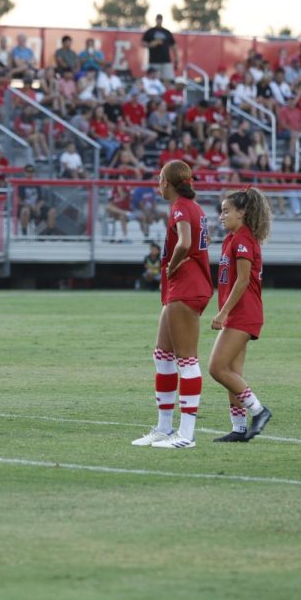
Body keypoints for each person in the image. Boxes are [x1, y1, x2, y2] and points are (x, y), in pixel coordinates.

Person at [131, 160, 213, 450]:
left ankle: (186, 435)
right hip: (187, 287)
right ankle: (164, 428)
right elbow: (205, 238)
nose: (158, 184)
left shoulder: (180, 206)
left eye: (160, 179)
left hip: (186, 288)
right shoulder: (196, 208)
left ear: (166, 182)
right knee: (162, 356)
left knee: (186, 361)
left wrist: (172, 266)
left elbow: (185, 242)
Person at [209, 189, 274, 442]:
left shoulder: (244, 239)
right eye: (221, 211)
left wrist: (223, 312)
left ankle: (259, 411)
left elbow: (244, 279)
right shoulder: (232, 238)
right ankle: (238, 429)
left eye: (226, 211)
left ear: (242, 213)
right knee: (233, 373)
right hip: (241, 313)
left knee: (217, 368)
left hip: (243, 313)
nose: (221, 216)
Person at [141, 15, 177, 80]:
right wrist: (151, 44)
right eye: (158, 19)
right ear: (156, 20)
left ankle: (167, 90)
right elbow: (143, 43)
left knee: (168, 79)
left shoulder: (167, 32)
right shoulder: (150, 32)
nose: (159, 21)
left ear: (162, 20)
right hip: (154, 60)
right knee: (154, 79)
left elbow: (174, 46)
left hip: (166, 60)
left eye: (160, 19)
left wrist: (176, 59)